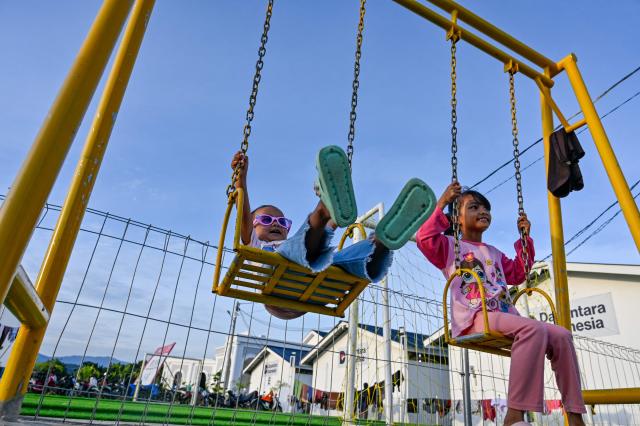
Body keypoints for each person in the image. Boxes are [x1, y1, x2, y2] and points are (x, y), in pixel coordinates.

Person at [416, 182, 586, 426]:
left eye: (485, 207)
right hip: (475, 317)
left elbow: (518, 272)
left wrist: (524, 238)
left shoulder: (494, 252)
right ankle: (515, 415)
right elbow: (424, 238)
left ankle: (575, 414)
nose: (483, 211)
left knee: (561, 335)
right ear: (457, 218)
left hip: (504, 314)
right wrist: (442, 202)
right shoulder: (450, 248)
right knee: (533, 328)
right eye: (474, 207)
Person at [231, 145, 435, 320]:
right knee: (293, 250)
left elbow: (321, 237)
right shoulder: (255, 244)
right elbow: (243, 217)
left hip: (308, 277)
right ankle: (323, 209)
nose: (276, 224)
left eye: (282, 221)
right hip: (277, 288)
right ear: (253, 225)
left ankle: (381, 243)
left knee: (340, 259)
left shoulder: (292, 241)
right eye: (266, 220)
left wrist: (335, 222)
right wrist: (241, 181)